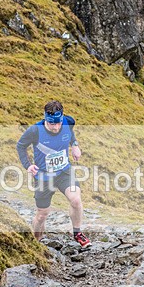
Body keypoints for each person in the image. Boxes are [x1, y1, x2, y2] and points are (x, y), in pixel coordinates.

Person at [16, 100, 90, 247]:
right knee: (42, 215)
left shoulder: (68, 122)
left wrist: (75, 145)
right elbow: (20, 146)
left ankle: (77, 233)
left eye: (58, 123)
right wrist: (28, 166)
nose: (56, 127)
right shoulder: (35, 131)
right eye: (51, 124)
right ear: (45, 118)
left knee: (76, 200)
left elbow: (70, 132)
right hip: (44, 177)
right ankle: (36, 242)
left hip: (64, 172)